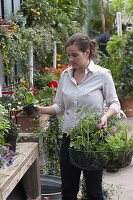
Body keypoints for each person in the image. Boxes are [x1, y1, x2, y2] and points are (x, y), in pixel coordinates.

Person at [36, 33, 120, 200]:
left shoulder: (102, 75)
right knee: (68, 190)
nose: (70, 59)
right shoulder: (65, 75)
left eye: (75, 55)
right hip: (69, 140)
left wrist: (105, 117)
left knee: (94, 191)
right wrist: (40, 109)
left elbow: (115, 103)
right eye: (68, 55)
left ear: (87, 53)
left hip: (92, 140)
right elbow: (59, 106)